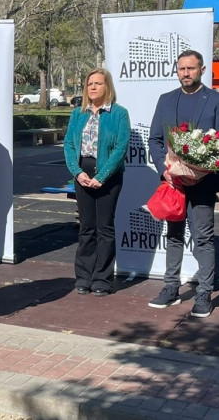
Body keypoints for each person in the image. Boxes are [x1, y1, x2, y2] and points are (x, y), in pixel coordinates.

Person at [146, 49, 219, 318]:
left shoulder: (218, 101)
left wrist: (199, 170)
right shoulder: (166, 100)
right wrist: (165, 169)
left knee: (203, 238)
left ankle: (204, 292)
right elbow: (155, 140)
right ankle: (171, 287)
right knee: (173, 235)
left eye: (191, 68)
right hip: (173, 182)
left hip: (203, 183)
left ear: (202, 70)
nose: (186, 73)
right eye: (182, 69)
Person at [63, 68, 130, 296]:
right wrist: (77, 172)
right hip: (82, 174)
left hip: (108, 176)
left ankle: (102, 279)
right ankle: (84, 277)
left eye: (98, 83)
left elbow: (120, 147)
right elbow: (69, 145)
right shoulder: (77, 114)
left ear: (107, 86)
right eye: (90, 83)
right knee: (86, 228)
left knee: (105, 228)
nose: (92, 87)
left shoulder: (119, 114)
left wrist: (101, 177)